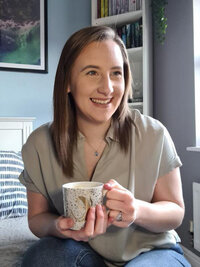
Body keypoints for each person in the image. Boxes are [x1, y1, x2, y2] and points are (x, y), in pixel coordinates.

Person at [19, 25, 191, 267]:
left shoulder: (154, 133)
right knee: (43, 256)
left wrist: (137, 211)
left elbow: (175, 212)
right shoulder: (39, 143)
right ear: (68, 81)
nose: (107, 88)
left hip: (151, 252)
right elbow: (37, 218)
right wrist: (58, 227)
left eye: (116, 73)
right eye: (92, 72)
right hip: (81, 252)